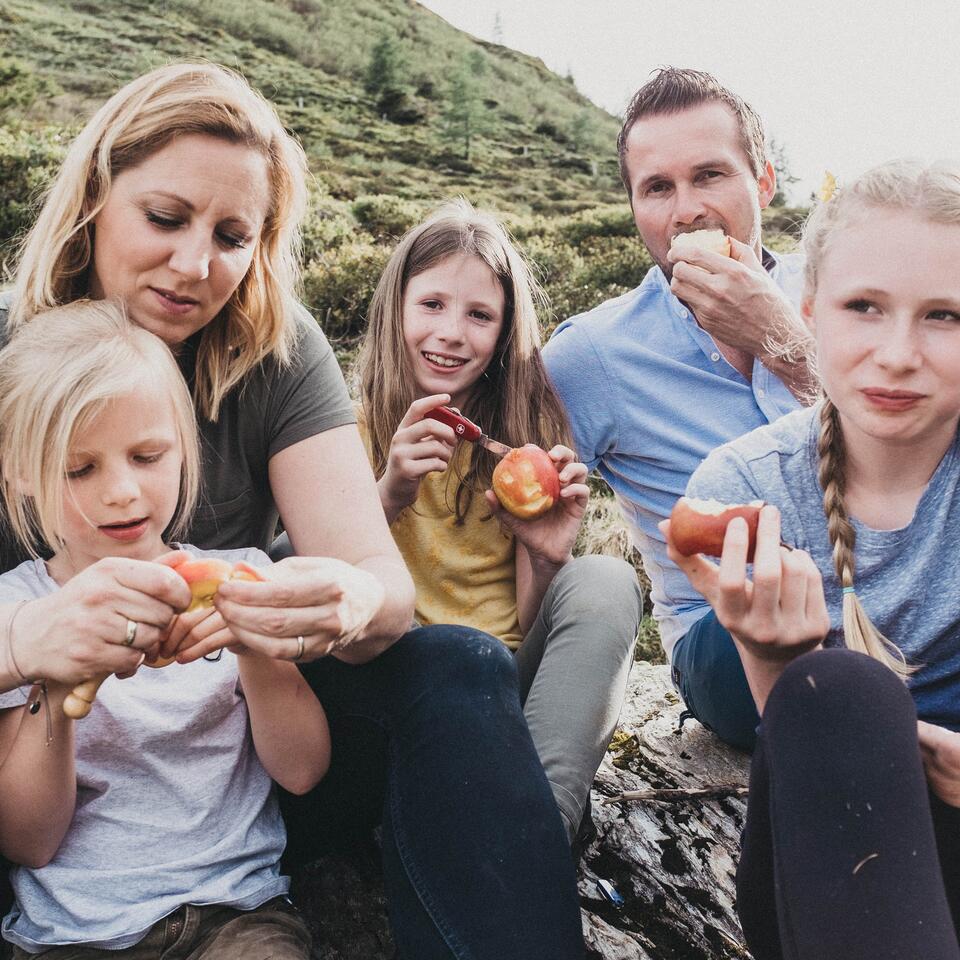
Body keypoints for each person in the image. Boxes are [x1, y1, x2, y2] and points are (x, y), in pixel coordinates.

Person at [1, 63, 585, 959]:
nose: (196, 265)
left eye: (233, 235)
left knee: (459, 665)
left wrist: (341, 604)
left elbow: (379, 585)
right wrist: (22, 650)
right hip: (42, 802)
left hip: (242, 787)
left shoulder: (275, 349)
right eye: (164, 218)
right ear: (93, 198)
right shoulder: (11, 356)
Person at [664, 159, 960, 959]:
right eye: (864, 307)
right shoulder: (746, 485)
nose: (899, 353)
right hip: (834, 869)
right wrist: (774, 659)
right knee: (839, 691)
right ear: (807, 313)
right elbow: (788, 753)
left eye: (944, 317)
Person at [0, 300, 329, 957]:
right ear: (20, 475)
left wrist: (255, 649)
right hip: (76, 932)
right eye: (79, 469)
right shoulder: (20, 611)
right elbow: (29, 840)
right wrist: (57, 688)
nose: (122, 490)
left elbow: (302, 771)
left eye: (147, 455)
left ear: (183, 448)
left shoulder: (241, 576)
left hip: (237, 913)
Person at [543, 67, 815, 751]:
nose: (686, 209)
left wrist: (786, 343)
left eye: (710, 176)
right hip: (723, 637)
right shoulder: (594, 354)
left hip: (886, 588)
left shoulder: (842, 294)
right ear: (635, 206)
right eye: (658, 188)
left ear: (764, 181)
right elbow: (510, 490)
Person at [355, 199, 643, 847]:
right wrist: (392, 490)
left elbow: (525, 622)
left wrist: (544, 555)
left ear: (504, 332)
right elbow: (326, 579)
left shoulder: (523, 443)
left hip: (501, 686)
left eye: (479, 314)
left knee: (605, 580)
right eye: (432, 305)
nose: (453, 333)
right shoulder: (347, 432)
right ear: (394, 307)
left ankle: (534, 832)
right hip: (395, 688)